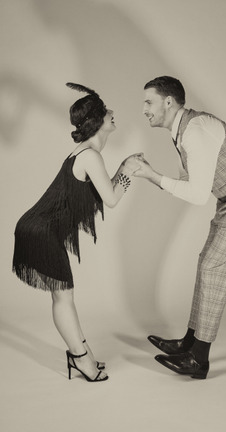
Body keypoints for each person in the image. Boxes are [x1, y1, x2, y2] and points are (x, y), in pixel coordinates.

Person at [133, 75, 226, 379]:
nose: (144, 109)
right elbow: (189, 184)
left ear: (168, 101)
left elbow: (198, 196)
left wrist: (151, 176)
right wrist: (154, 175)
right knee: (206, 263)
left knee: (214, 267)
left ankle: (199, 359)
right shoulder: (183, 130)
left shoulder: (194, 131)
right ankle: (188, 343)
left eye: (149, 102)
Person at [12, 83, 141, 382]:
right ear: (97, 120)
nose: (113, 113)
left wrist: (124, 167)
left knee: (63, 296)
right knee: (63, 297)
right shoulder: (89, 156)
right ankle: (81, 359)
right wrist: (128, 168)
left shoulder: (85, 153)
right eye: (106, 110)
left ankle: (84, 356)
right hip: (41, 230)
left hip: (39, 228)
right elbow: (111, 197)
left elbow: (104, 188)